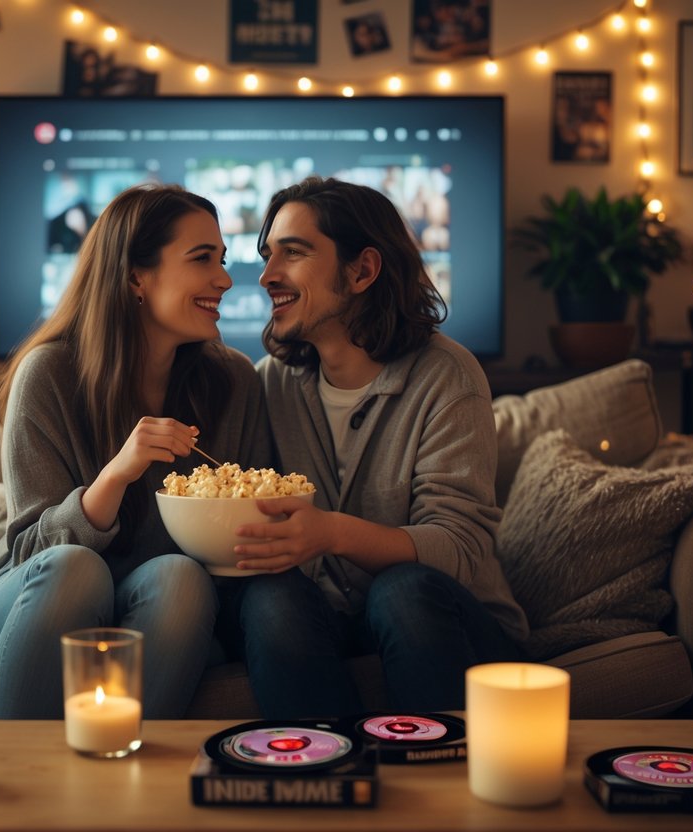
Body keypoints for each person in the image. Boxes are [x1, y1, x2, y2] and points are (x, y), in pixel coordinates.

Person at [0, 183, 269, 719]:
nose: (226, 280)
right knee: (76, 569)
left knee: (182, 577)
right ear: (136, 276)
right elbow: (34, 551)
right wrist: (117, 474)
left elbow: (236, 538)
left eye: (223, 259)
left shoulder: (233, 380)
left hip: (148, 605)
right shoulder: (47, 374)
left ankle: (123, 789)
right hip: (26, 602)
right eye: (202, 259)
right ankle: (19, 787)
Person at [217, 176, 528, 718]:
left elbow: (457, 550)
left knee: (402, 590)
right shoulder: (272, 383)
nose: (267, 276)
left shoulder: (447, 377)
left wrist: (331, 532)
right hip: (331, 624)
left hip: (453, 624)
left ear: (362, 270)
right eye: (268, 256)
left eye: (294, 253)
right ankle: (319, 772)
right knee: (270, 596)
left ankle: (438, 781)